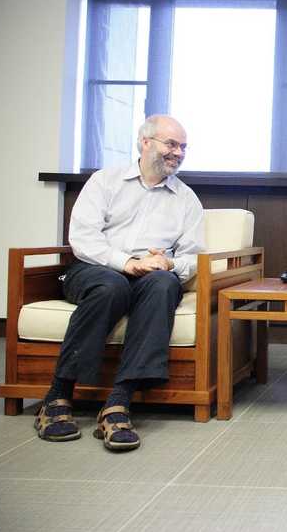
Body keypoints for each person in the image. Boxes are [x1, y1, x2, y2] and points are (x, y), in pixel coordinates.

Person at [34, 115, 205, 452]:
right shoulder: (105, 182)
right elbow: (82, 239)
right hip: (95, 268)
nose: (179, 152)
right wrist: (127, 263)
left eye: (183, 147)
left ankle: (118, 402)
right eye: (172, 144)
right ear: (145, 142)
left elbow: (193, 256)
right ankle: (58, 395)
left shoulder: (186, 199)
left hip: (150, 276)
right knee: (112, 286)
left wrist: (169, 263)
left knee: (164, 285)